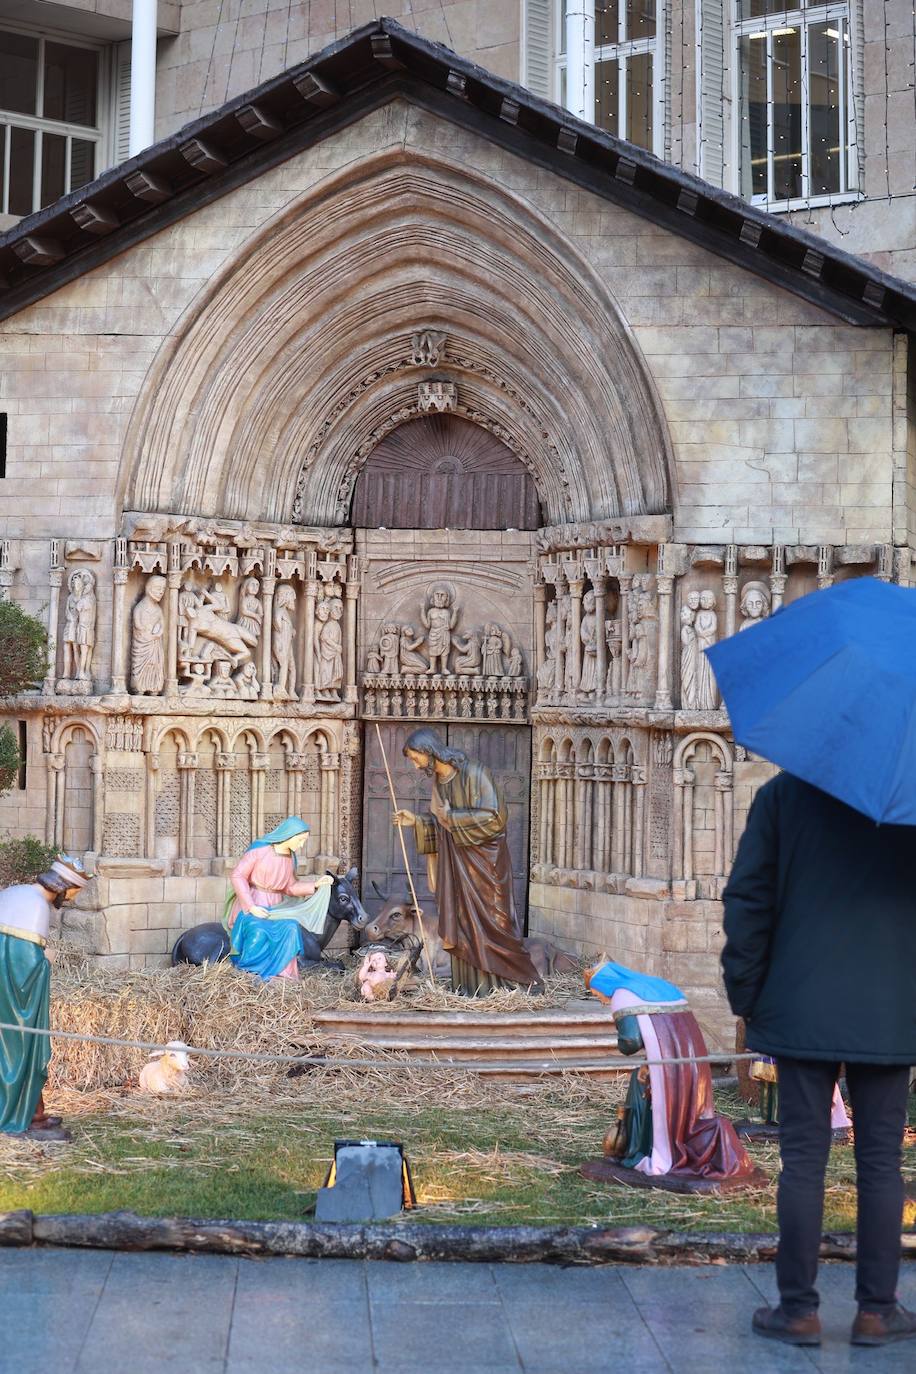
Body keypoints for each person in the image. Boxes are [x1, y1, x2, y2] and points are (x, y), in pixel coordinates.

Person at [722, 771, 916, 1348]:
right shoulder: (908, 801)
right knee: (881, 1163)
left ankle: (797, 1312)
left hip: (800, 1004)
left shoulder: (782, 797)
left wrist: (747, 996)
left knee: (803, 1161)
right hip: (888, 1008)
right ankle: (877, 1312)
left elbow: (747, 901)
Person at [392, 727, 541, 995]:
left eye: (416, 758)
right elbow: (441, 823)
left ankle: (507, 985)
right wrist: (416, 821)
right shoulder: (440, 781)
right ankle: (472, 987)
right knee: (463, 924)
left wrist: (453, 817)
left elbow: (496, 817)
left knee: (494, 923)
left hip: (485, 865)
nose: (415, 765)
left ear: (428, 751)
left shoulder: (474, 772)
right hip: (456, 868)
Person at [585, 960, 758, 1182]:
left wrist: (620, 1039)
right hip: (690, 1061)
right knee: (677, 1102)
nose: (601, 999)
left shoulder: (622, 995)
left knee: (643, 1091)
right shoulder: (660, 985)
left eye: (596, 993)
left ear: (602, 984)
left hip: (665, 1069)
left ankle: (646, 1151)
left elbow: (630, 1041)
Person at [0, 855, 90, 1139]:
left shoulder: (17, 892)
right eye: (74, 892)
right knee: (22, 1049)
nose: (72, 899)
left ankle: (33, 1113)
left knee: (20, 1050)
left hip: (6, 992)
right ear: (63, 886)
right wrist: (47, 960)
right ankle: (17, 1116)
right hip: (15, 1000)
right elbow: (26, 965)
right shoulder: (37, 906)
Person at [227, 817, 332, 980]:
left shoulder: (290, 858)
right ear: (289, 834)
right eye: (300, 840)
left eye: (304, 841)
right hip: (254, 904)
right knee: (258, 930)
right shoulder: (260, 850)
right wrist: (251, 906)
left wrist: (315, 885)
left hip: (277, 908)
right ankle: (250, 972)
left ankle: (283, 975)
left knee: (291, 928)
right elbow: (238, 875)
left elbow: (290, 887)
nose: (301, 845)